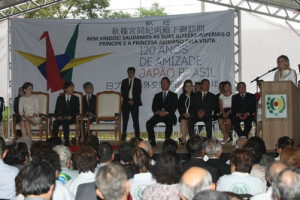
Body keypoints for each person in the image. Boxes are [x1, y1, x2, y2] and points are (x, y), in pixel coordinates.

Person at [146, 77, 178, 146]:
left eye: (165, 83)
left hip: (169, 115)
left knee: (169, 122)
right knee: (148, 123)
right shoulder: (157, 95)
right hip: (159, 115)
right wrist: (157, 112)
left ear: (169, 84)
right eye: (162, 83)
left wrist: (166, 112)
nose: (163, 84)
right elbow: (153, 107)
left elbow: (174, 107)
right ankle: (152, 142)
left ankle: (167, 142)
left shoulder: (174, 95)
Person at [52, 81, 80, 146]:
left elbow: (77, 111)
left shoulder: (76, 98)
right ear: (65, 89)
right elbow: (56, 110)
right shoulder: (60, 98)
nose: (72, 88)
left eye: (73, 87)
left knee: (65, 121)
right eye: (70, 87)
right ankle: (55, 140)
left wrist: (71, 116)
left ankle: (66, 141)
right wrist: (58, 116)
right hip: (62, 117)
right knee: (55, 123)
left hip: (71, 118)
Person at [121, 67, 142, 141]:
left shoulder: (138, 81)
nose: (130, 74)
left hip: (135, 103)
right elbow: (123, 93)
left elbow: (138, 93)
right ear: (127, 73)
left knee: (135, 121)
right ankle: (123, 135)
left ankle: (137, 136)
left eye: (132, 72)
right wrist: (128, 100)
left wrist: (133, 101)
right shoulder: (124, 81)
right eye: (129, 72)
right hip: (126, 103)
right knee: (125, 121)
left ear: (134, 73)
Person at [178, 80, 194, 145]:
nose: (189, 87)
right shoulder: (182, 96)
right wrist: (183, 113)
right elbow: (179, 107)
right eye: (187, 86)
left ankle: (183, 138)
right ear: (184, 88)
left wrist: (190, 114)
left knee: (189, 122)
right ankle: (184, 139)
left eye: (190, 86)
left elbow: (197, 107)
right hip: (184, 115)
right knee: (183, 121)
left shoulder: (195, 96)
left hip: (193, 115)